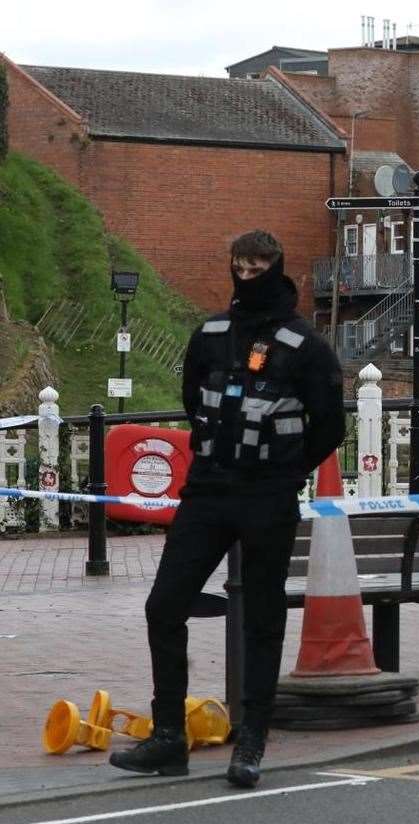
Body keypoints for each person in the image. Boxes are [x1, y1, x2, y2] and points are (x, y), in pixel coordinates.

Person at [110, 230, 346, 788]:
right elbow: (195, 402)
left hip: (268, 496)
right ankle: (169, 737)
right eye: (239, 263)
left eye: (258, 263)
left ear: (277, 266)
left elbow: (329, 427)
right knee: (164, 605)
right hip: (209, 491)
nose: (248, 273)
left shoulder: (307, 346)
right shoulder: (211, 333)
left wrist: (286, 471)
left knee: (263, 620)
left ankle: (253, 741)